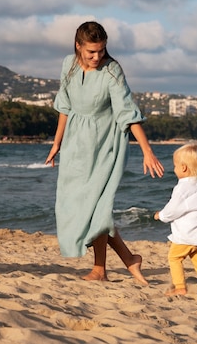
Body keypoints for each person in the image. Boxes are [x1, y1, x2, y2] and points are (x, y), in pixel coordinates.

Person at [45, 21, 164, 284]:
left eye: (101, 50)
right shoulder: (69, 65)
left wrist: (147, 151)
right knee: (78, 207)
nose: (97, 57)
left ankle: (101, 270)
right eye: (91, 52)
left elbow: (127, 113)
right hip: (76, 146)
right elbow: (64, 107)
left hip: (105, 146)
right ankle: (127, 260)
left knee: (99, 209)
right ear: (78, 46)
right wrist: (57, 144)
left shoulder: (112, 71)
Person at [154, 142, 197, 297]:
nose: (174, 169)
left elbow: (173, 208)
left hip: (186, 234)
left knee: (174, 258)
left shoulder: (182, 188)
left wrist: (161, 215)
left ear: (184, 168)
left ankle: (180, 287)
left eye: (175, 166)